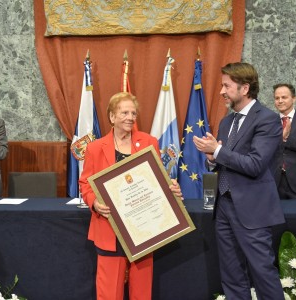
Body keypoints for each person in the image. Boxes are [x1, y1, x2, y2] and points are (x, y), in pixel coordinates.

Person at [193, 63, 285, 299]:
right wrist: (212, 159)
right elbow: (225, 162)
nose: (222, 91)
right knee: (231, 273)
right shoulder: (227, 122)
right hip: (223, 206)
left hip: (253, 209)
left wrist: (219, 151)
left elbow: (255, 165)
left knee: (263, 273)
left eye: (226, 85)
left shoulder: (268, 119)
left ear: (245, 88)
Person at [79, 92, 182, 300]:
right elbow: (85, 183)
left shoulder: (148, 142)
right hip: (110, 228)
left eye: (133, 113)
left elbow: (158, 180)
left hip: (143, 228)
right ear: (112, 117)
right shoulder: (95, 148)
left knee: (141, 293)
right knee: (109, 293)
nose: (130, 117)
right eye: (124, 112)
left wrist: (171, 188)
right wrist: (94, 202)